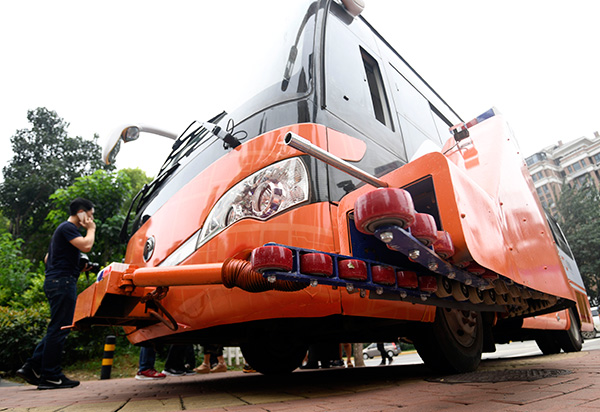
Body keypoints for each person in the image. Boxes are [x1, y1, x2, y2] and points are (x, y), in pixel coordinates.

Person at [17, 198, 96, 390]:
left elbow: (47, 258)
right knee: (60, 328)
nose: (92, 218)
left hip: (56, 280)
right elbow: (86, 246)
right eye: (90, 214)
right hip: (62, 282)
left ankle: (33, 367)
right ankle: (51, 376)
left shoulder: (61, 231)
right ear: (81, 212)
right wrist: (91, 229)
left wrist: (75, 265)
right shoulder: (68, 227)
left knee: (57, 327)